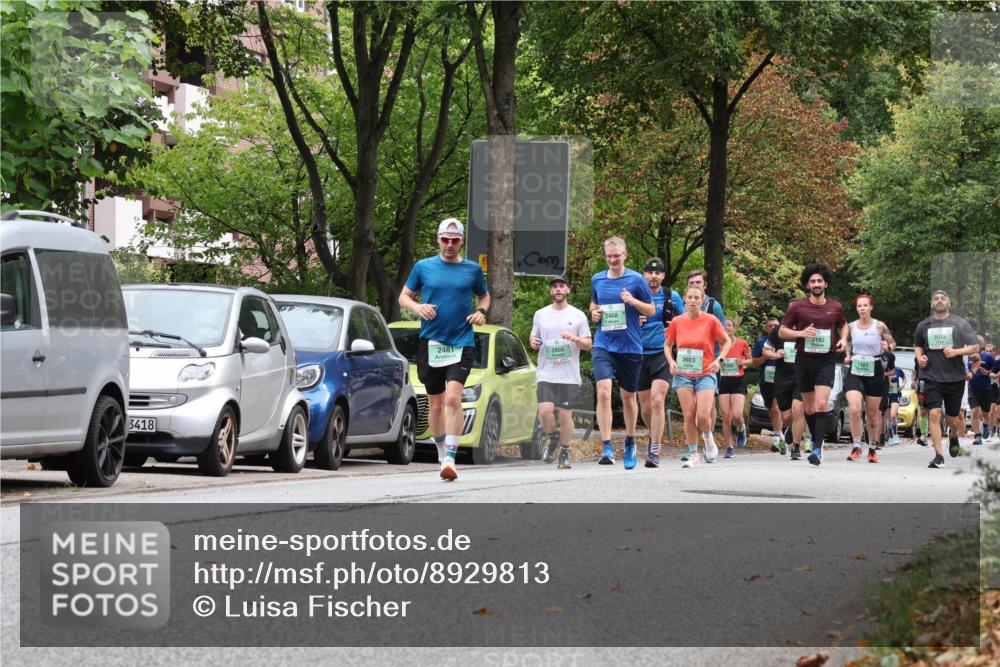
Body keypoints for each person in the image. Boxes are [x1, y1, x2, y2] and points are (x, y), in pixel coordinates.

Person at [399, 218, 489, 482]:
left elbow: (484, 296)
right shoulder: (423, 267)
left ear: (462, 241)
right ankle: (441, 455)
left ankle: (450, 457)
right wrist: (418, 308)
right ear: (438, 239)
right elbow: (403, 296)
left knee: (452, 399)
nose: (450, 245)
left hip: (461, 342)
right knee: (436, 406)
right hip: (431, 343)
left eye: (455, 240)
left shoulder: (472, 270)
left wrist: (481, 311)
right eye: (445, 240)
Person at [590, 237, 656, 469]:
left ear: (624, 254)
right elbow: (594, 304)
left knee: (628, 397)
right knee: (604, 392)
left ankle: (630, 442)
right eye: (609, 256)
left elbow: (651, 309)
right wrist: (594, 314)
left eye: (616, 255)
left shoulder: (637, 279)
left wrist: (633, 300)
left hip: (629, 346)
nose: (612, 259)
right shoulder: (597, 279)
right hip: (604, 343)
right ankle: (606, 445)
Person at [779, 263, 848, 466]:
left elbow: (843, 325)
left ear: (826, 283)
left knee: (821, 404)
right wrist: (800, 333)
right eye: (812, 281)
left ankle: (817, 447)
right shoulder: (798, 307)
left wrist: (843, 340)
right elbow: (783, 330)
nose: (816, 284)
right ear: (807, 285)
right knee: (808, 408)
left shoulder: (835, 307)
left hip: (826, 360)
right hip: (804, 360)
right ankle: (816, 441)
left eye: (819, 281)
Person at [665, 285, 732, 467]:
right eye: (690, 297)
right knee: (688, 414)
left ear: (702, 301)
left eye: (697, 298)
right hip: (683, 373)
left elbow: (727, 341)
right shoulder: (677, 322)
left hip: (705, 372)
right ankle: (694, 454)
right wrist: (671, 361)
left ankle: (708, 438)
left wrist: (719, 359)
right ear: (684, 300)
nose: (693, 300)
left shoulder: (711, 321)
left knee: (702, 416)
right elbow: (667, 344)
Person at [530, 276, 592, 469]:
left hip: (568, 375)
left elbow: (588, 345)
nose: (558, 289)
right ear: (551, 291)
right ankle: (552, 436)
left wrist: (574, 338)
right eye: (555, 287)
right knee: (545, 410)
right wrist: (532, 341)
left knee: (565, 413)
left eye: (561, 286)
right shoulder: (540, 314)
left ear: (568, 290)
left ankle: (564, 452)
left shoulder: (578, 315)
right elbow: (534, 336)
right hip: (546, 372)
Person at [913, 290, 980, 468]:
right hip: (931, 377)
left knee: (953, 418)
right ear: (932, 303)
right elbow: (918, 346)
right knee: (934, 413)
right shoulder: (924, 325)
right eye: (936, 298)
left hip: (954, 378)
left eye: (943, 298)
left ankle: (953, 436)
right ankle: (938, 456)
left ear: (948, 303)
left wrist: (956, 352)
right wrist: (920, 358)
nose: (939, 301)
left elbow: (975, 346)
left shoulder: (960, 323)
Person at [636, 258, 683, 468]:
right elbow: (618, 321)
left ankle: (654, 448)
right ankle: (653, 432)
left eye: (658, 273)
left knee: (657, 401)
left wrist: (675, 325)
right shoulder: (635, 295)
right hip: (637, 355)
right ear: (644, 275)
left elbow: (686, 321)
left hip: (662, 354)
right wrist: (634, 320)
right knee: (645, 408)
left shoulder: (671, 297)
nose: (653, 276)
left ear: (663, 276)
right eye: (649, 272)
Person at [843, 295, 895, 464]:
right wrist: (848, 355)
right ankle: (856, 445)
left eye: (865, 305)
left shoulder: (879, 326)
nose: (862, 308)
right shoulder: (851, 326)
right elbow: (848, 343)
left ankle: (872, 447)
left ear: (871, 307)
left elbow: (892, 343)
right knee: (855, 408)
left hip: (874, 368)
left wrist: (887, 346)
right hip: (856, 368)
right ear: (857, 308)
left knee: (873, 414)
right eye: (859, 306)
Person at [761, 320, 806, 458]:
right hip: (783, 377)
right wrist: (775, 354)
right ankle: (792, 429)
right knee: (786, 417)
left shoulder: (806, 330)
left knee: (798, 409)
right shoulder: (778, 331)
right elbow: (765, 351)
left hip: (801, 376)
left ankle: (796, 447)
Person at [718, 317, 752, 458]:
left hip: (738, 380)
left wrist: (742, 361)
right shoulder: (717, 344)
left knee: (737, 414)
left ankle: (741, 428)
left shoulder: (742, 343)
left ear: (735, 328)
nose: (727, 327)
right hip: (723, 381)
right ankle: (729, 447)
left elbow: (751, 361)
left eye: (730, 325)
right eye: (724, 325)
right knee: (726, 416)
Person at [750, 317, 784, 451]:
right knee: (771, 410)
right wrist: (766, 355)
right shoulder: (761, 342)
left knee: (776, 409)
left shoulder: (785, 340)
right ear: (766, 328)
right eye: (770, 325)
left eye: (776, 325)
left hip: (781, 380)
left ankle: (776, 438)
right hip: (766, 380)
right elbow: (754, 362)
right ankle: (780, 435)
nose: (773, 327)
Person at [968, 336, 994, 446]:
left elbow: (995, 371)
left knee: (985, 413)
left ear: (981, 346)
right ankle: (977, 435)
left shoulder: (988, 357)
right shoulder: (969, 357)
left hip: (986, 388)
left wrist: (987, 373)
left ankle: (985, 426)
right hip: (972, 387)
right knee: (974, 411)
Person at [883, 351, 906, 445]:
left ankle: (896, 435)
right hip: (887, 394)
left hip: (895, 395)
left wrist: (902, 386)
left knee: (893, 415)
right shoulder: (884, 370)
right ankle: (890, 436)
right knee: (888, 418)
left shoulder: (898, 370)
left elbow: (905, 378)